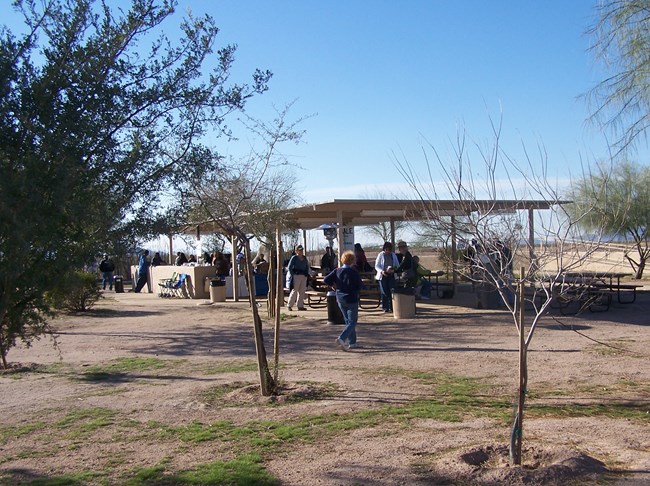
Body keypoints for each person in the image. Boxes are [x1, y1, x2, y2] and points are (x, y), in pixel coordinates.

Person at [324, 250, 363, 351]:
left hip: (340, 299)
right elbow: (359, 286)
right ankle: (342, 338)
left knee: (348, 321)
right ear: (352, 260)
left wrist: (333, 285)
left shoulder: (337, 270)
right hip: (351, 298)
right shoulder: (354, 272)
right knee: (352, 322)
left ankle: (352, 342)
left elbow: (326, 279)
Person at [375, 242, 399, 313]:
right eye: (386, 249)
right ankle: (385, 307)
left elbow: (397, 265)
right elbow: (377, 265)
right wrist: (381, 271)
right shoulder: (380, 255)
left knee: (392, 290)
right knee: (384, 291)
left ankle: (392, 307)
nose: (387, 251)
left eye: (389, 250)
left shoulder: (393, 255)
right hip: (382, 276)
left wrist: (393, 269)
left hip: (391, 275)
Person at [287, 244, 310, 311]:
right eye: (299, 250)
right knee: (294, 290)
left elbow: (306, 266)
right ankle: (289, 305)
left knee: (302, 291)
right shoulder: (294, 257)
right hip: (296, 275)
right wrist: (292, 275)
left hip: (303, 276)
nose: (301, 251)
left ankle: (300, 306)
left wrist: (306, 274)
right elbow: (289, 267)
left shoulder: (304, 258)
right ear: (296, 251)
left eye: (302, 250)